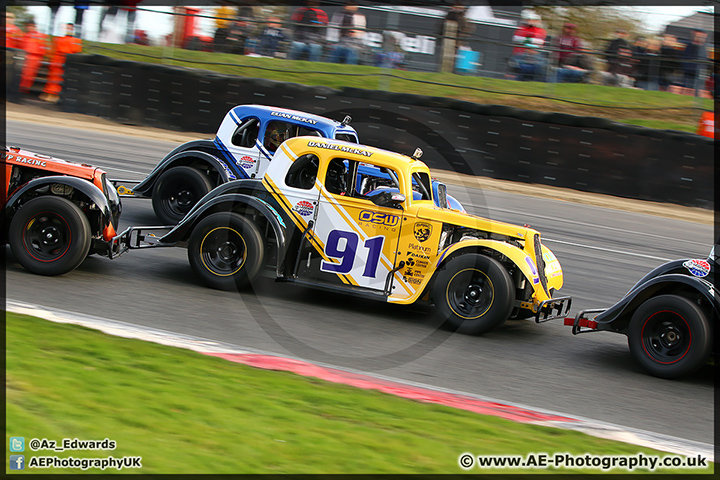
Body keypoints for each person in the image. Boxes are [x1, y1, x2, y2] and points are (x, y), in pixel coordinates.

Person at [40, 23, 82, 103]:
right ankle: (50, 94)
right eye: (67, 28)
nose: (68, 29)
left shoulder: (76, 41)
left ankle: (53, 94)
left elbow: (77, 51)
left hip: (66, 60)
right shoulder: (58, 39)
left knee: (58, 79)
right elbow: (52, 50)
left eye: (70, 28)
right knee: (53, 78)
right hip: (57, 60)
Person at [507, 10, 546, 79]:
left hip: (535, 55)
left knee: (542, 65)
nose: (530, 21)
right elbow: (516, 39)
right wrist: (530, 42)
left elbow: (539, 42)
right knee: (516, 63)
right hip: (520, 54)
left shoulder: (540, 30)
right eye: (528, 19)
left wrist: (526, 42)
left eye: (533, 20)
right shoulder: (521, 29)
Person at [328, 1, 366, 65]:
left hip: (354, 42)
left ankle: (350, 69)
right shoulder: (338, 15)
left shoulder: (360, 17)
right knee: (336, 48)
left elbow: (361, 33)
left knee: (352, 50)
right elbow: (332, 29)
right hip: (339, 40)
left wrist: (354, 34)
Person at [19, 20, 48, 95]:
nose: (30, 27)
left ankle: (23, 91)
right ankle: (20, 90)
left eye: (32, 26)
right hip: (24, 56)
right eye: (28, 26)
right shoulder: (25, 35)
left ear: (35, 27)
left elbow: (43, 48)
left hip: (34, 58)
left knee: (28, 76)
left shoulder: (40, 36)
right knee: (22, 75)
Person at [678, 28, 708, 96]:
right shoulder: (690, 45)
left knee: (696, 92)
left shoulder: (703, 47)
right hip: (689, 73)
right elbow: (685, 58)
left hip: (698, 74)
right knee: (687, 90)